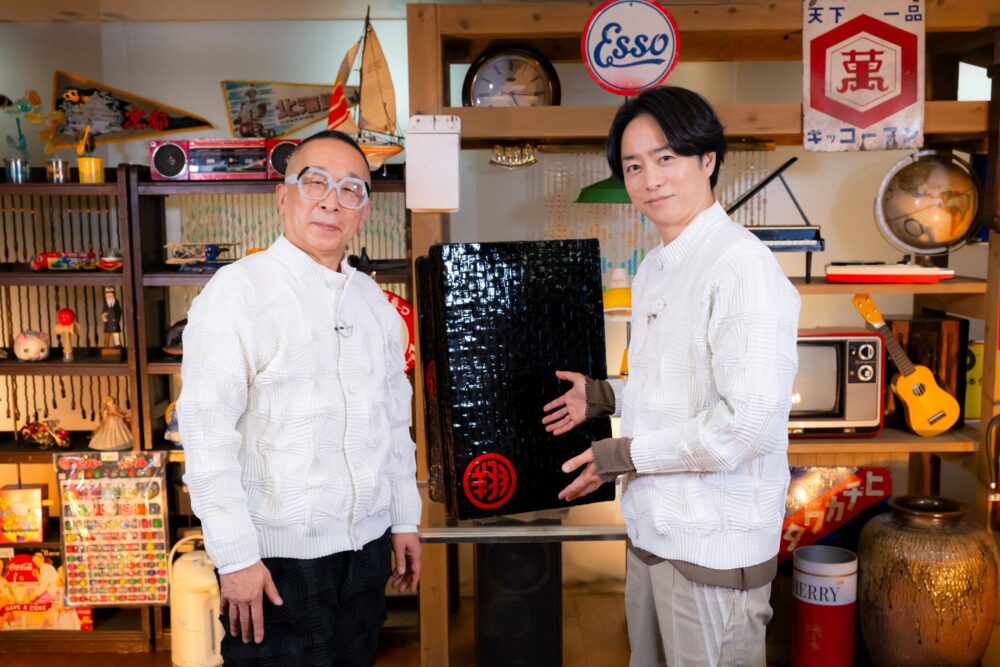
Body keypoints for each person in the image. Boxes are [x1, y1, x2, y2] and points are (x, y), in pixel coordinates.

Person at [542, 86, 800, 667]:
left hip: (714, 546)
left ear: (707, 159)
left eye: (666, 158)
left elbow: (745, 426)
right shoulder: (657, 267)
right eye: (634, 166)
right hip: (652, 532)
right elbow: (677, 386)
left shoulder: (742, 266)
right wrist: (603, 396)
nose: (650, 179)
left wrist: (620, 454)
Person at [177, 129, 421, 666]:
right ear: (283, 196)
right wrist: (235, 557)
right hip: (275, 559)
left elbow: (392, 423)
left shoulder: (375, 303)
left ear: (364, 212)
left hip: (366, 550)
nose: (332, 201)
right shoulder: (238, 291)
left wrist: (404, 518)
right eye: (316, 183)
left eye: (350, 189)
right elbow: (205, 433)